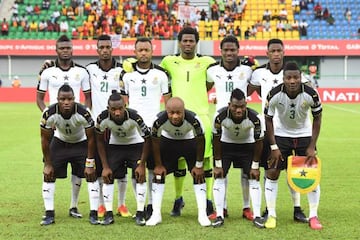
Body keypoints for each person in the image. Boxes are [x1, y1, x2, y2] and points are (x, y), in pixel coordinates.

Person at [248, 38, 308, 225]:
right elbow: (250, 90)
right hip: (270, 130)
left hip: (293, 131)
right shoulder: (259, 73)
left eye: (279, 51)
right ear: (267, 53)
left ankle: (297, 208)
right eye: (272, 51)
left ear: (283, 52)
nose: (276, 54)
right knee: (271, 170)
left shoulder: (292, 74)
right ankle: (269, 209)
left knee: (295, 170)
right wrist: (249, 70)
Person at [160, 27, 216, 218]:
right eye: (184, 40)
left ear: (196, 42)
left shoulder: (207, 62)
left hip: (202, 117)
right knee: (179, 162)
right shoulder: (169, 61)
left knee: (205, 161)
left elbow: (209, 84)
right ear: (179, 42)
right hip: (177, 120)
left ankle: (208, 201)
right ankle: (178, 199)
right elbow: (157, 75)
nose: (188, 44)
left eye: (191, 41)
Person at [37, 34, 91, 219]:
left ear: (72, 49)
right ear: (56, 50)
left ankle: (74, 206)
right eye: (62, 48)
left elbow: (88, 97)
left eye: (68, 48)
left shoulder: (82, 72)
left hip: (77, 123)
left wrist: (83, 117)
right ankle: (49, 211)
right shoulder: (46, 72)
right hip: (55, 126)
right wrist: (49, 117)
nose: (65, 51)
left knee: (79, 170)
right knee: (49, 167)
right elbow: (39, 98)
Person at [264, 61, 323, 230]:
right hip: (281, 136)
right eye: (288, 78)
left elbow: (317, 117)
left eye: (295, 77)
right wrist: (274, 147)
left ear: (300, 78)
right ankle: (272, 215)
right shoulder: (274, 94)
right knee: (273, 171)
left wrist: (312, 145)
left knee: (311, 174)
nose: (292, 81)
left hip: (304, 136)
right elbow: (268, 119)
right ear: (283, 79)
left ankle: (313, 215)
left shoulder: (311, 94)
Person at [120, 37, 171, 220]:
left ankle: (151, 205)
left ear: (152, 51)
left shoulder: (161, 75)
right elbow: (123, 104)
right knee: (137, 169)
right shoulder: (127, 76)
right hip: (134, 131)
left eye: (146, 50)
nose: (143, 53)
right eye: (140, 50)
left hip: (154, 129)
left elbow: (167, 103)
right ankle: (141, 205)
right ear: (135, 52)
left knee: (152, 168)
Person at [206, 35, 254, 221]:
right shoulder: (212, 71)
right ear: (221, 51)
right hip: (221, 129)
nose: (229, 53)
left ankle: (246, 207)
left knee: (246, 171)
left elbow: (250, 90)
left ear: (238, 50)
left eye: (232, 49)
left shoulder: (247, 70)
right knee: (221, 171)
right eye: (225, 50)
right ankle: (222, 208)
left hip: (244, 129)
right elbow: (207, 86)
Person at [145, 97, 211, 227]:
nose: (175, 116)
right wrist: (158, 165)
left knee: (198, 175)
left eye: (178, 112)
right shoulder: (158, 120)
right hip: (168, 143)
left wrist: (198, 165)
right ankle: (156, 214)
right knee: (158, 174)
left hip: (189, 142)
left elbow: (200, 141)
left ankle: (202, 214)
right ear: (166, 111)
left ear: (184, 110)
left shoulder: (194, 120)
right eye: (171, 113)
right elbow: (155, 140)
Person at [86, 34, 131, 219]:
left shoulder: (122, 71)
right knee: (98, 167)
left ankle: (121, 204)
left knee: (120, 169)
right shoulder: (89, 70)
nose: (104, 50)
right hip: (98, 127)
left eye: (107, 47)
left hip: (117, 125)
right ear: (97, 49)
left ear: (112, 49)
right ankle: (102, 205)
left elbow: (128, 95)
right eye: (101, 47)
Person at [40, 84, 97, 225]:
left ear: (74, 99)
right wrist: (47, 163)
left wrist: (90, 162)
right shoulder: (49, 113)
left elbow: (92, 138)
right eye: (62, 99)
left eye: (69, 99)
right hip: (60, 142)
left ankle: (87, 211)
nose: (66, 102)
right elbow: (45, 139)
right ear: (57, 99)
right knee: (48, 174)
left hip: (81, 143)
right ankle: (49, 213)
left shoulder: (84, 113)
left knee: (89, 174)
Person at [95, 91, 151, 226]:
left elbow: (147, 138)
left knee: (139, 176)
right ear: (108, 109)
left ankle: (140, 213)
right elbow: (99, 141)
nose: (117, 112)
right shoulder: (102, 118)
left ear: (125, 106)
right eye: (113, 109)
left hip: (135, 145)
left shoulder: (135, 117)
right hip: (115, 146)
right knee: (107, 176)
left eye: (120, 108)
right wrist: (105, 166)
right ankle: (108, 213)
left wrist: (142, 164)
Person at [211, 88, 264, 228]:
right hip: (226, 146)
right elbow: (215, 139)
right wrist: (217, 164)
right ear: (229, 105)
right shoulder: (219, 116)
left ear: (246, 104)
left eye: (242, 106)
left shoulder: (256, 118)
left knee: (253, 176)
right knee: (219, 176)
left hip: (247, 146)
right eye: (235, 106)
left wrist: (255, 166)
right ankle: (220, 214)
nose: (239, 110)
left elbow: (259, 142)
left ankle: (255, 214)